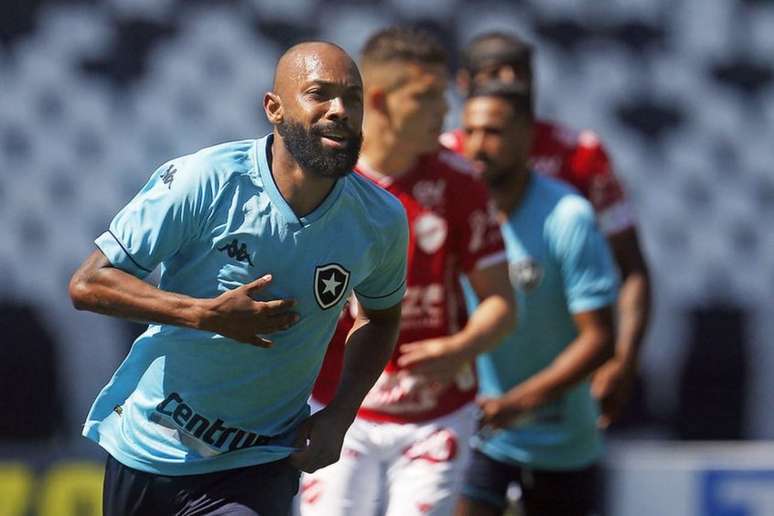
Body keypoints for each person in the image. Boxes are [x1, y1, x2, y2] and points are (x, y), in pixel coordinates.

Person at [68, 41, 409, 516]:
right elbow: (89, 284)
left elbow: (382, 317)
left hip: (258, 460)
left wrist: (340, 414)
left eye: (352, 98)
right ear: (274, 108)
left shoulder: (381, 219)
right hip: (150, 448)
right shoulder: (205, 181)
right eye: (319, 94)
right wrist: (206, 314)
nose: (340, 111)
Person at [299, 28, 515, 516]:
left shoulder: (460, 182)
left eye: (445, 95)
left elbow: (501, 303)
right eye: (427, 97)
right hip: (337, 409)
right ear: (380, 100)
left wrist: (460, 347)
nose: (445, 111)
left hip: (435, 416)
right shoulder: (327, 180)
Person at [442, 32, 650, 429]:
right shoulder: (446, 158)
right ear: (464, 86)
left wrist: (623, 358)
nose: (511, 81)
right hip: (474, 382)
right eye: (494, 73)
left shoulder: (579, 154)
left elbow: (632, 266)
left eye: (520, 72)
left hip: (564, 380)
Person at [455, 81, 618, 516]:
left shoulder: (569, 217)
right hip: (481, 436)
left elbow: (600, 339)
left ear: (527, 135)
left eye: (492, 132)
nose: (477, 145)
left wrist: (518, 402)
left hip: (563, 443)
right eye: (469, 131)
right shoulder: (458, 214)